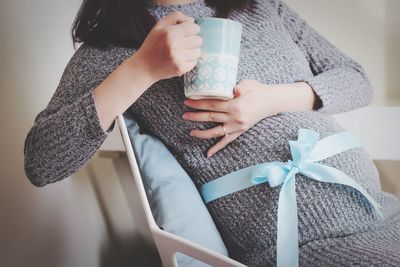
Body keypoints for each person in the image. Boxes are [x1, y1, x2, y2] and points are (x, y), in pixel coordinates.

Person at [24, 0, 400, 265]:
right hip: (303, 247)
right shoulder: (112, 49)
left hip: (381, 210)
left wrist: (271, 99)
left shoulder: (263, 8)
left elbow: (356, 79)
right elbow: (42, 161)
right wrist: (141, 69)